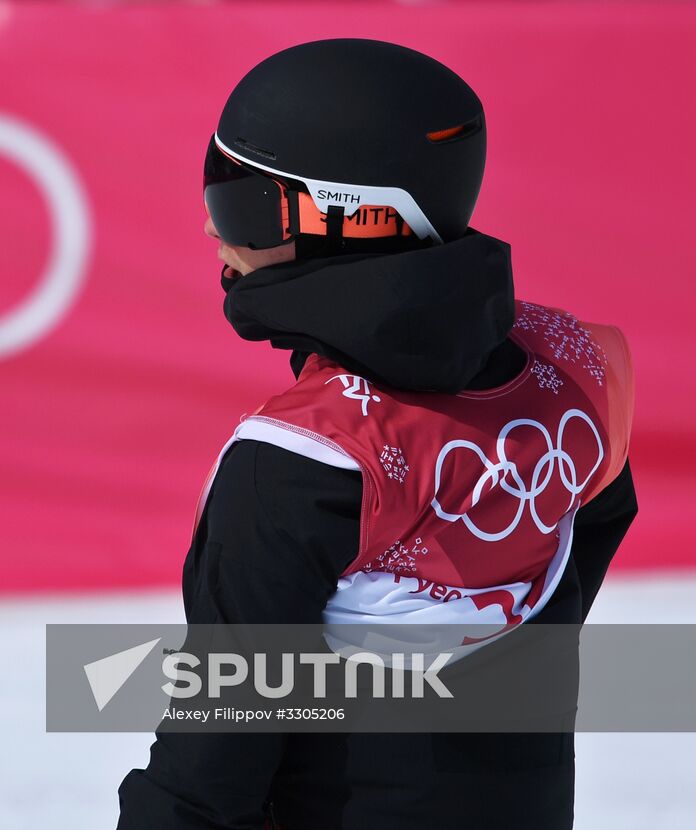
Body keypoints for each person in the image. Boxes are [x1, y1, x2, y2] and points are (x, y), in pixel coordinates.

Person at [117, 39, 637, 830]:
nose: (204, 220)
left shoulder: (303, 456)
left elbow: (215, 750)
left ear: (349, 216)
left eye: (235, 197)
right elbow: (588, 536)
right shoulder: (581, 367)